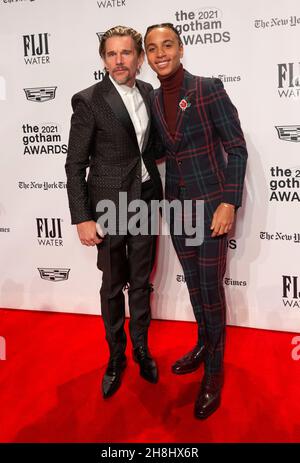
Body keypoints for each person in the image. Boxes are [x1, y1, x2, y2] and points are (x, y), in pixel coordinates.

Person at [144, 23, 248, 419]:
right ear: (148, 57)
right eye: (152, 48)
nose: (160, 53)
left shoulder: (208, 88)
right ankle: (204, 345)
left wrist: (229, 203)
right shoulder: (152, 99)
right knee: (194, 287)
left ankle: (215, 372)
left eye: (167, 44)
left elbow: (236, 150)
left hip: (211, 207)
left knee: (210, 289)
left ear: (181, 48)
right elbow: (161, 149)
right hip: (178, 208)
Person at [65, 26, 163, 399]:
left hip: (146, 198)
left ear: (139, 58)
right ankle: (116, 357)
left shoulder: (149, 92)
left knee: (141, 281)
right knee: (112, 287)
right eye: (111, 54)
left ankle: (141, 348)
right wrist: (82, 217)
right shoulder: (89, 100)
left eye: (126, 54)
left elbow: (150, 148)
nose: (119, 61)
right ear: (103, 59)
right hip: (108, 206)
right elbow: (74, 165)